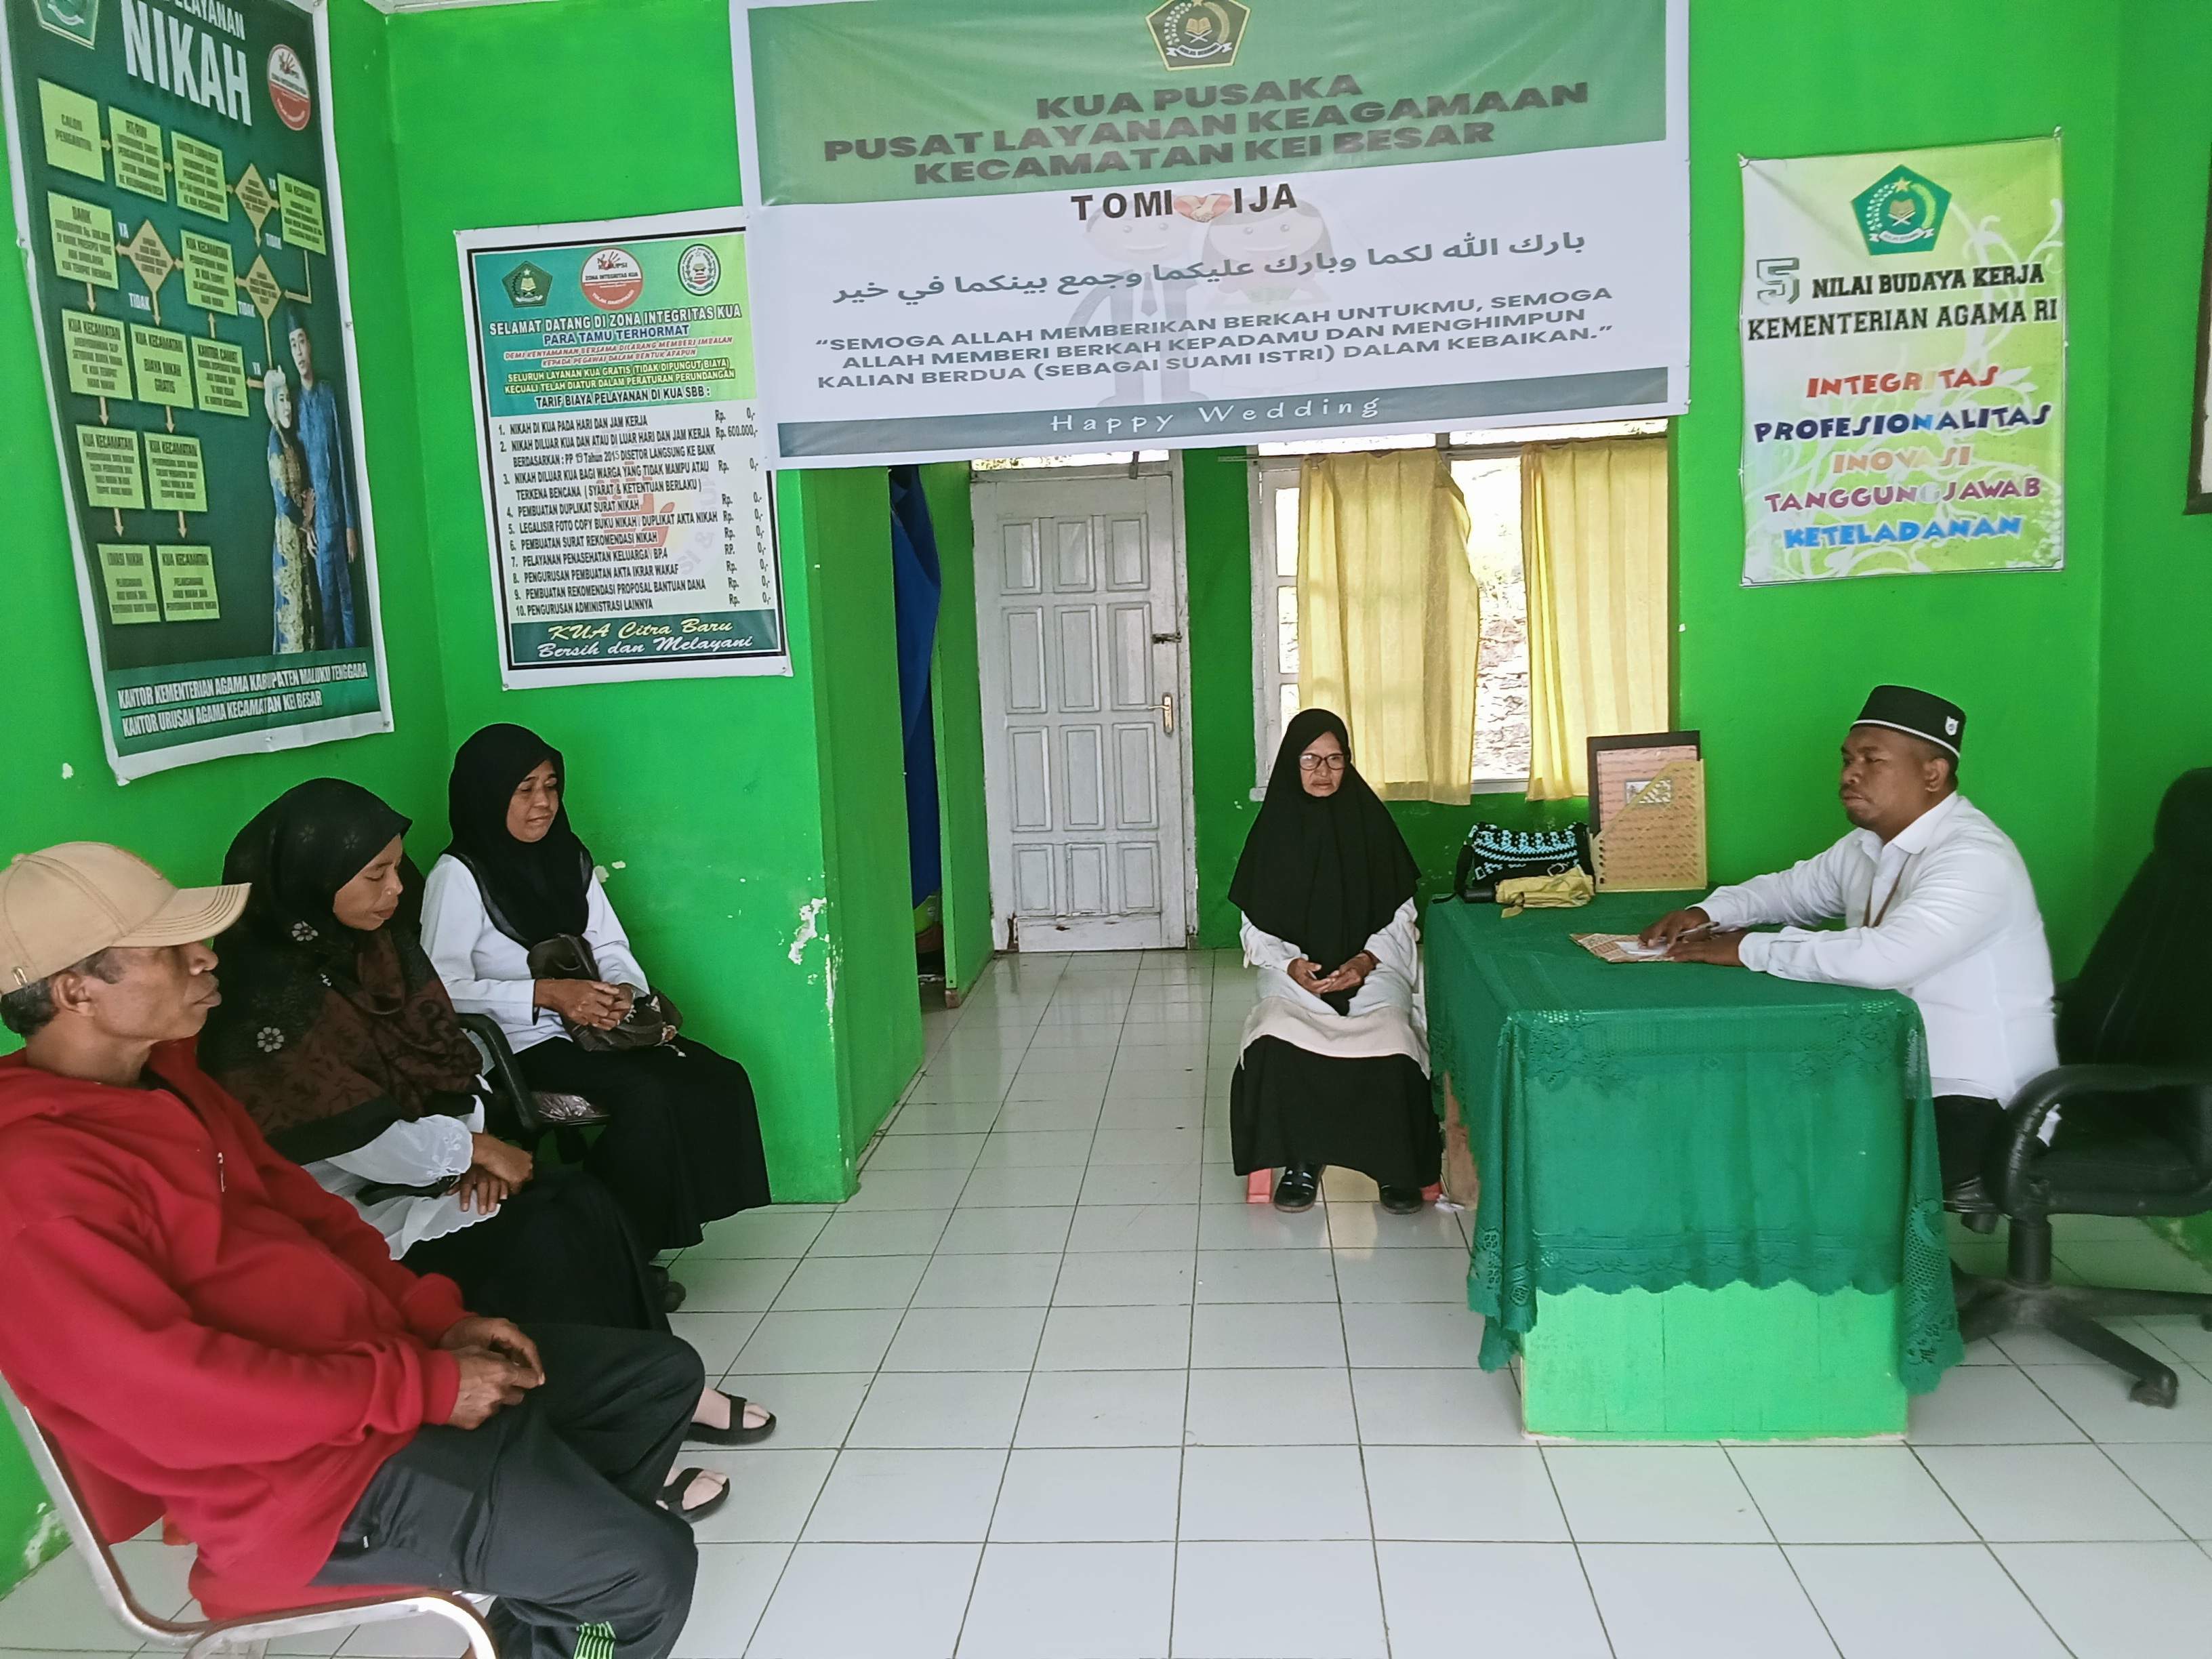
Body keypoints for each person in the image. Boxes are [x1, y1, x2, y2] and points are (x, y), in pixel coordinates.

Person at [0, 842, 722, 1659]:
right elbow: (177, 1397)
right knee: (643, 1574)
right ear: (75, 991)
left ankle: (543, 1613)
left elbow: (312, 1218)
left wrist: (433, 1322)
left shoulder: (167, 1083)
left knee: (654, 1382)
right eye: (169, 950)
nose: (205, 956)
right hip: (298, 1489)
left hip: (367, 1387)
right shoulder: (34, 1183)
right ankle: (582, 1610)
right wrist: (422, 1386)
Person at [198, 782, 773, 1449]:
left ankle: (663, 1389)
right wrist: (468, 1154)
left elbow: (451, 1053)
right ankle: (601, 1433)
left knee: (585, 1202)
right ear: (310, 879)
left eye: (395, 868)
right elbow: (361, 1142)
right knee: (541, 1240)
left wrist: (475, 1144)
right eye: (374, 875)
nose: (394, 890)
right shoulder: (267, 997)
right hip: (348, 1211)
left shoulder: (377, 948)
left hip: (438, 1167)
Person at [1641, 686, 2058, 1205]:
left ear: (1932, 774)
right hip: (1898, 1075)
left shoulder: (1974, 857)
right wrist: (1711, 912)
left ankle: (1895, 1284)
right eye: (1846, 759)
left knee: (1803, 1165)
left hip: (1982, 1102)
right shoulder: (1869, 844)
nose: (1848, 775)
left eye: (1872, 760)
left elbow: (1885, 958)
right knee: (1746, 1117)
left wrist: (1750, 949)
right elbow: (1790, 891)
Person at [422, 725, 771, 1267]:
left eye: (551, 786)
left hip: (593, 1028)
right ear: (486, 794)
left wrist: (621, 994)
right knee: (647, 1094)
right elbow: (440, 992)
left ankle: (629, 1229)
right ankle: (613, 1243)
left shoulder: (567, 855)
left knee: (718, 1077)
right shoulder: (459, 876)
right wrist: (547, 994)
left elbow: (608, 941)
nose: (543, 804)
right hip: (521, 1044)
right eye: (524, 790)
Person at [1227, 710, 1440, 1213]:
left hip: (1370, 968)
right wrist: (1291, 966)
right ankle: (1301, 1159)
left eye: (1334, 759)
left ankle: (1396, 1168)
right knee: (1277, 1040)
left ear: (1348, 764)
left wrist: (1366, 962)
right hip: (1296, 974)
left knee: (1392, 1039)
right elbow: (1255, 927)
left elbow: (1400, 917)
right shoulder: (1272, 832)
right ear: (1290, 764)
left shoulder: (1371, 825)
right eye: (1309, 759)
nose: (1322, 771)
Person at [285, 308, 361, 651]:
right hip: (319, 528)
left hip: (339, 518)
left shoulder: (328, 395)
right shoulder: (295, 406)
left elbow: (343, 460)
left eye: (302, 342)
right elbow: (298, 472)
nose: (299, 352)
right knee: (327, 605)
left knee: (348, 602)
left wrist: (350, 527)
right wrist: (308, 524)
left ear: (310, 346)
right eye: (293, 345)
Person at [262, 367, 317, 655]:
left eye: (289, 400)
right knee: (292, 609)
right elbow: (285, 501)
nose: (288, 406)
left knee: (304, 607)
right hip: (287, 537)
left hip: (297, 535)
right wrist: (306, 518)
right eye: (281, 400)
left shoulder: (290, 443)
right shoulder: (275, 442)